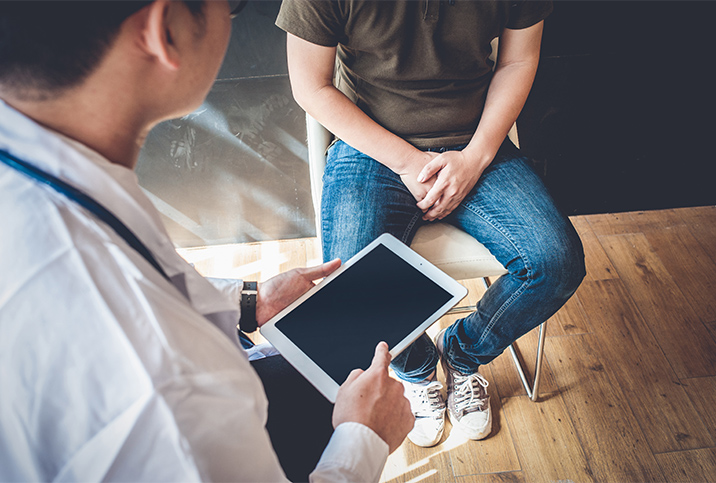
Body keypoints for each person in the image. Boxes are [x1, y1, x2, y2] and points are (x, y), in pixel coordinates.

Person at [0, 1, 413, 481]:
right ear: (164, 30)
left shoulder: (43, 163)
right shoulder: (169, 389)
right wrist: (365, 438)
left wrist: (247, 303)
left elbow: (142, 272)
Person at [276, 0, 586, 447]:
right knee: (352, 291)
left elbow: (519, 59)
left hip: (473, 142)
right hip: (371, 146)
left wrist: (474, 159)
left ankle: (461, 354)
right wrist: (408, 162)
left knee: (556, 261)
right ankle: (417, 369)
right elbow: (310, 86)